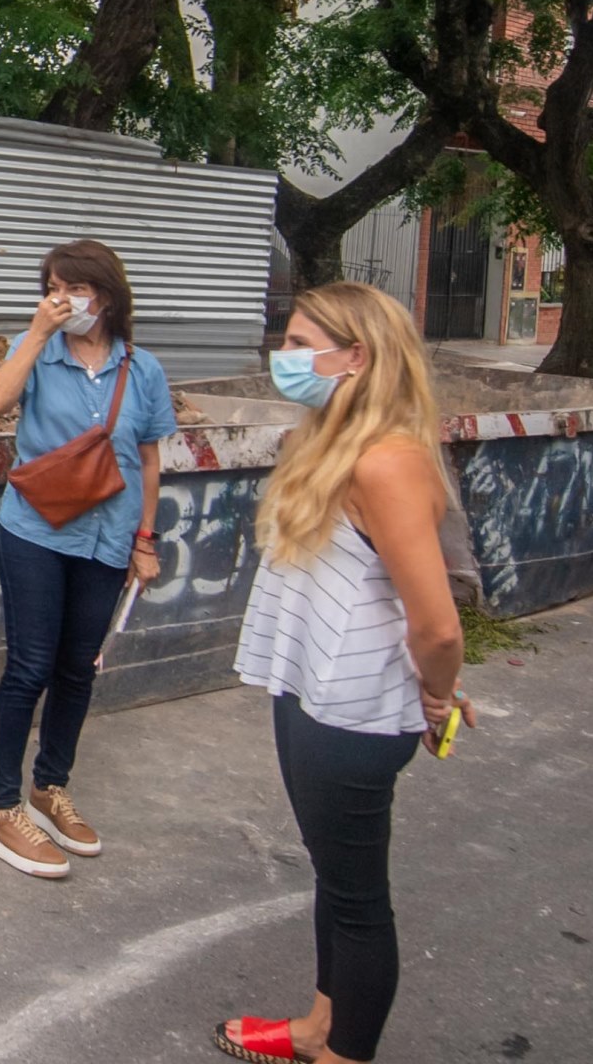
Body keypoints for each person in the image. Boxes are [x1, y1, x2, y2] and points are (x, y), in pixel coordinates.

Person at [214, 282, 476, 1064]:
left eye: (300, 345)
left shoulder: (389, 462)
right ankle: (317, 1026)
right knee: (335, 876)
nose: (283, 358)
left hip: (355, 710)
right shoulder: (327, 442)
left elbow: (436, 623)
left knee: (358, 900)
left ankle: (343, 1052)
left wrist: (437, 695)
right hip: (308, 688)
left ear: (355, 357)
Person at [0, 239, 177, 879]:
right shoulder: (35, 351)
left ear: (107, 296)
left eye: (75, 289)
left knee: (78, 670)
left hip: (109, 539)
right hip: (35, 531)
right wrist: (35, 334)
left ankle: (49, 786)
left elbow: (148, 459)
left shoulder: (140, 369)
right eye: (53, 287)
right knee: (29, 666)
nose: (63, 300)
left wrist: (145, 540)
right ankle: (0, 808)